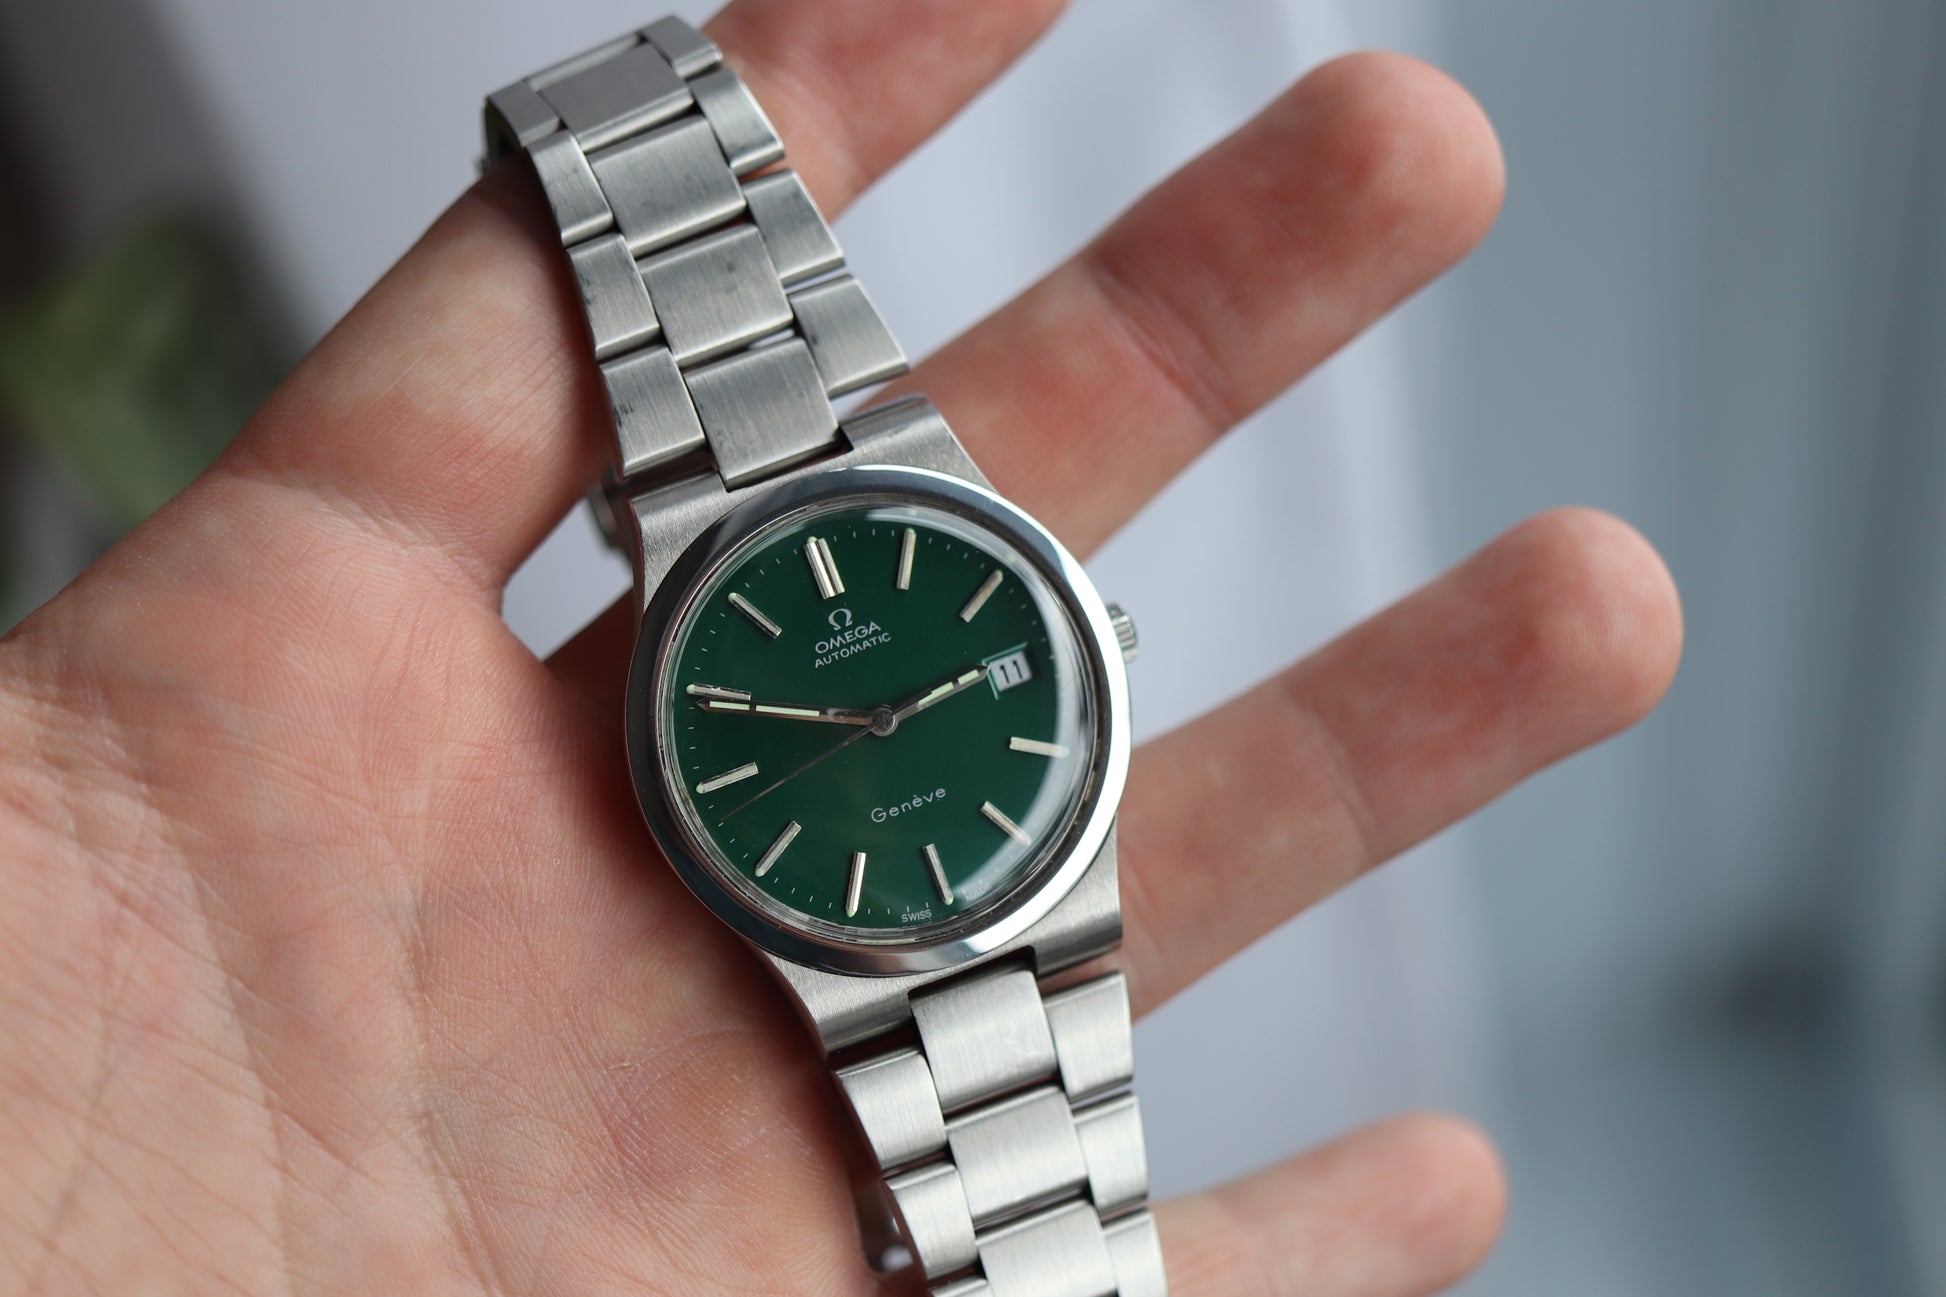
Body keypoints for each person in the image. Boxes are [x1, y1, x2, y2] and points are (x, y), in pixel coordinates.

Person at [0, 1, 1682, 1291]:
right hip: (860, 867)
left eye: (920, 691)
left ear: (1079, 638)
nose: (881, 716)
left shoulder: (967, 649)